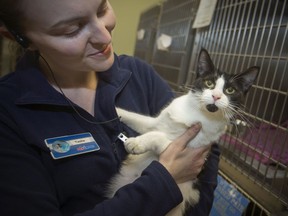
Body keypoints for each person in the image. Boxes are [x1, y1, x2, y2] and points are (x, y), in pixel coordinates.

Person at [0, 0, 220, 215]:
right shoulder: (8, 114)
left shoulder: (140, 75)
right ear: (20, 37)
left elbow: (207, 148)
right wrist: (165, 180)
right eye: (71, 29)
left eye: (102, 8)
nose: (104, 36)